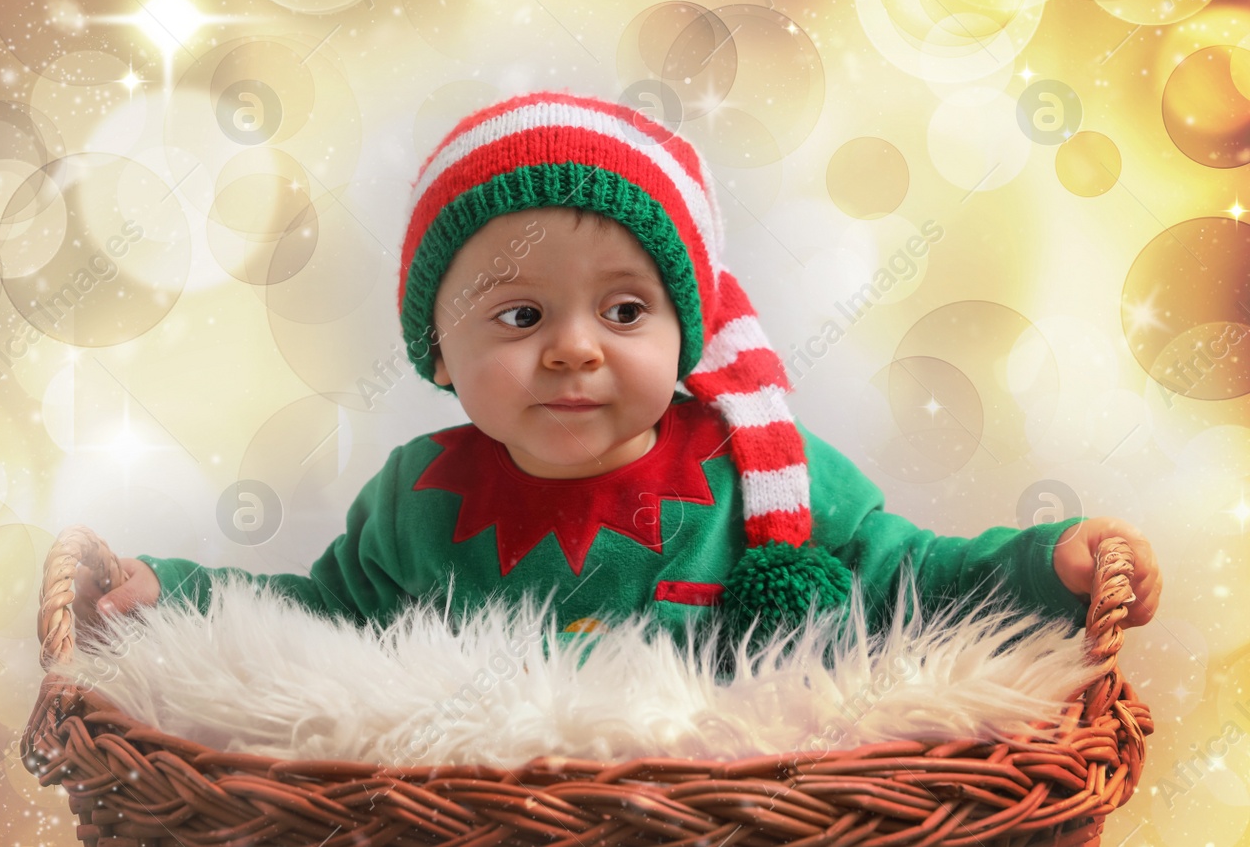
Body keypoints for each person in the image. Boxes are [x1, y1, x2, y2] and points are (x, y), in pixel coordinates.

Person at [78, 90, 1161, 653]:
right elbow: (314, 618)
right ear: (437, 353)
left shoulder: (754, 477)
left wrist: (1043, 565)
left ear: (684, 333)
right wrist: (168, 594)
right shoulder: (419, 498)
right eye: (517, 313)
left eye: (627, 308)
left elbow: (911, 577)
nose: (574, 346)